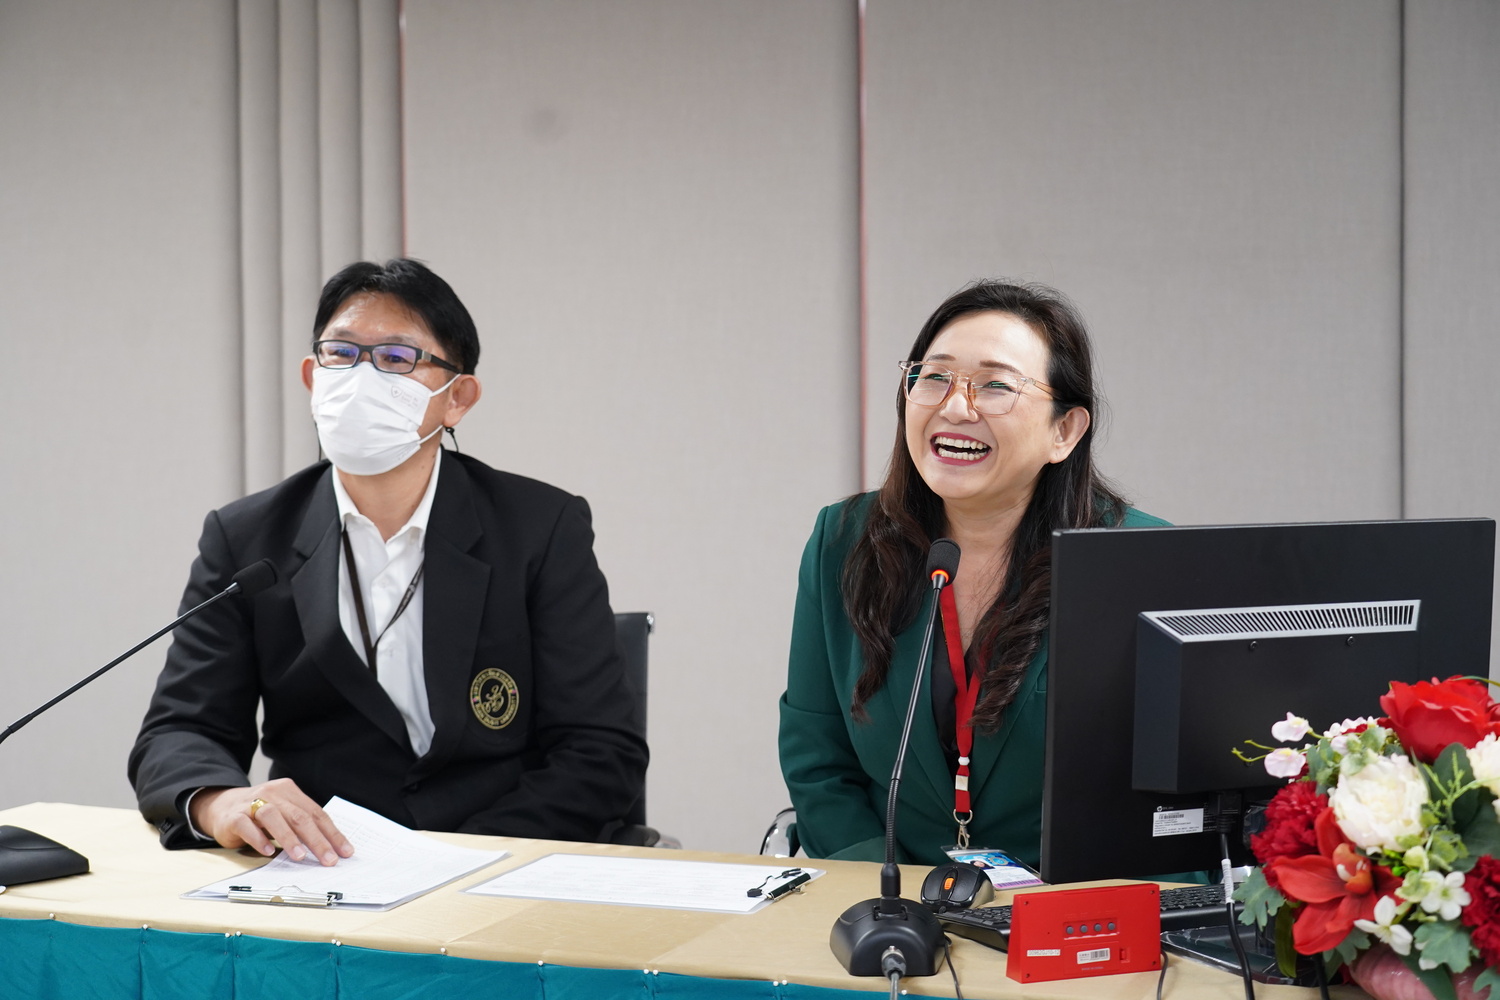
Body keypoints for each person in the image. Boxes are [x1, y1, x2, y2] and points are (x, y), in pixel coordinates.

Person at [129, 259, 647, 865]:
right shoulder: (246, 538)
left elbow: (599, 752)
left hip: (498, 861)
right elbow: (180, 730)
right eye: (341, 354)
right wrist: (220, 803)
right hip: (323, 866)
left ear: (457, 399)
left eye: (397, 358)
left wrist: (455, 861)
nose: (361, 377)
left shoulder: (539, 527)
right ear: (312, 378)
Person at [778, 279, 1167, 868]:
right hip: (892, 895)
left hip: (1074, 899)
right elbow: (817, 756)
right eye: (934, 377)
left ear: (1064, 431)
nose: (956, 407)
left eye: (995, 386)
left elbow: (1176, 795)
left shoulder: (1139, 561)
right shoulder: (844, 540)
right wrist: (885, 889)